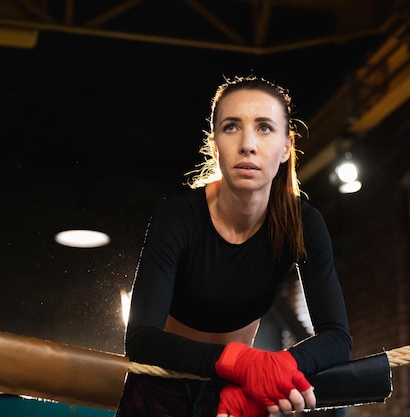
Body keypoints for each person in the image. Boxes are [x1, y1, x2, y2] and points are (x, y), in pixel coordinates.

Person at [115, 75, 352, 417]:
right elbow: (140, 338)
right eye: (231, 127)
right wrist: (241, 361)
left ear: (286, 147)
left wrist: (276, 368)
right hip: (160, 389)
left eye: (264, 128)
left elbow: (338, 338)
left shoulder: (303, 223)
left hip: (239, 393)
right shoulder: (178, 216)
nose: (247, 144)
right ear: (214, 145)